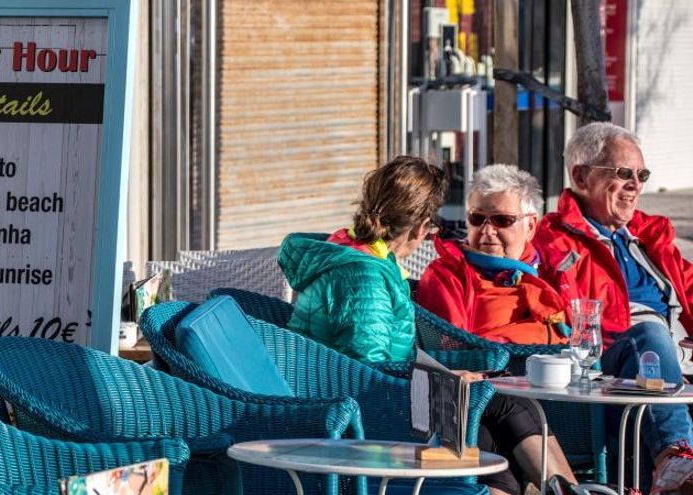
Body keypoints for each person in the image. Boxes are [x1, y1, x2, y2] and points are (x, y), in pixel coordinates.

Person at [278, 156, 576, 495]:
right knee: (502, 406)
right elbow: (366, 368)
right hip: (362, 411)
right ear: (420, 226)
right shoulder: (364, 277)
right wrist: (442, 380)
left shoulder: (362, 256)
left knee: (494, 416)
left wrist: (445, 376)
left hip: (376, 393)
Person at [533, 122, 693, 493]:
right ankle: (674, 456)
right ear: (581, 176)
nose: (636, 185)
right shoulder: (552, 239)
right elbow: (549, 308)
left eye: (641, 174)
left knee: (656, 337)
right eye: (623, 174)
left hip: (677, 358)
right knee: (649, 334)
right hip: (611, 364)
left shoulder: (648, 236)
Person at [415, 165, 578, 494]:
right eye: (477, 219)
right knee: (499, 413)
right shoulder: (450, 272)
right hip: (479, 399)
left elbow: (583, 332)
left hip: (559, 402)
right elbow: (450, 348)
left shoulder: (551, 271)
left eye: (501, 221)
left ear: (531, 225)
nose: (487, 232)